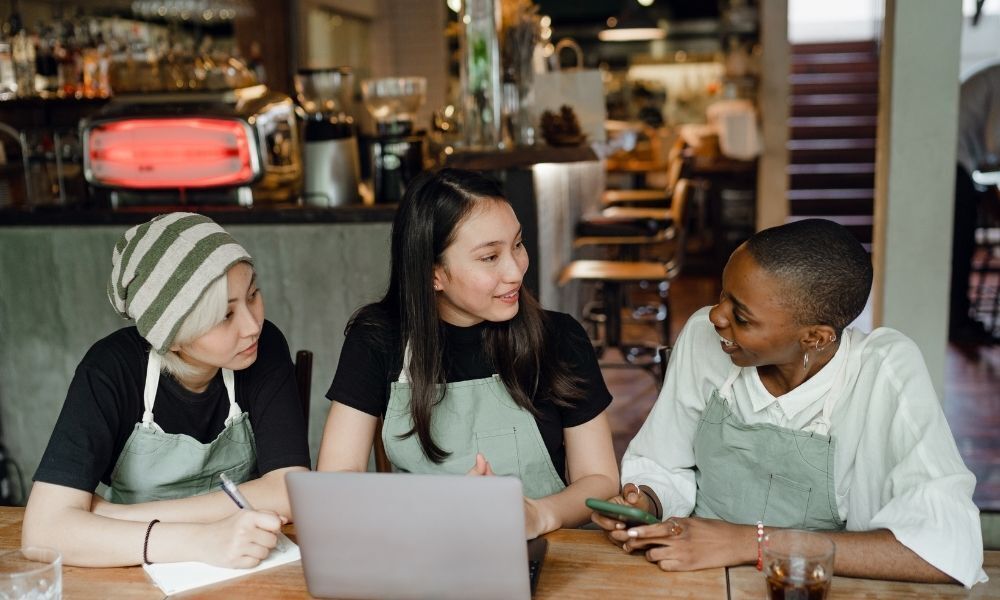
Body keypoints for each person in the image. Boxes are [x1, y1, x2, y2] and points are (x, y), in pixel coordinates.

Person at [591, 218, 986, 588]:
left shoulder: (883, 371)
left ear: (815, 337)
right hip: (695, 572)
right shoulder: (703, 336)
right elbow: (664, 460)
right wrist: (647, 501)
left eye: (742, 317)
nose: (715, 316)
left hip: (813, 584)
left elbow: (948, 549)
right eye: (723, 295)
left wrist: (750, 543)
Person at [317, 168, 619, 538]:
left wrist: (539, 515)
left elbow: (600, 479)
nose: (515, 270)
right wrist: (438, 508)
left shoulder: (560, 337)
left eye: (518, 245)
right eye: (490, 257)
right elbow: (336, 477)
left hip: (547, 549)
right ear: (434, 274)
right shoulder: (378, 339)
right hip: (419, 551)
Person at [23, 213, 310, 568]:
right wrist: (201, 540)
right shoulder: (111, 369)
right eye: (225, 316)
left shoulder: (264, 348)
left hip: (242, 556)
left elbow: (290, 490)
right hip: (128, 566)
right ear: (170, 338)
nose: (253, 325)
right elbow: (42, 533)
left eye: (253, 295)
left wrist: (120, 516)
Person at [951, 61, 1000, 343]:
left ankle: (959, 320)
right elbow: (995, 143)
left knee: (960, 250)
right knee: (960, 251)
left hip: (959, 163)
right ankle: (959, 323)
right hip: (955, 163)